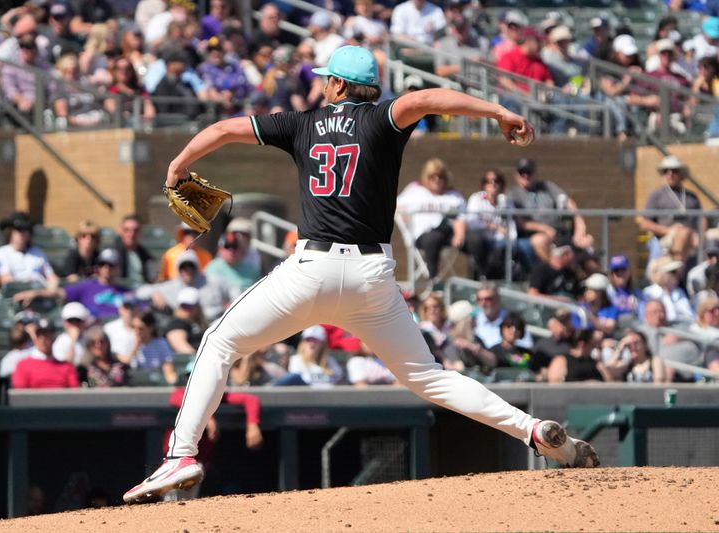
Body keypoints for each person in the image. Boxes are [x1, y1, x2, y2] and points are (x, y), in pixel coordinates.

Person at [123, 45, 597, 504]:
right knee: (429, 377)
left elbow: (226, 128)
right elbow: (424, 99)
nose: (321, 86)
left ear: (336, 84)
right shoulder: (382, 118)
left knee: (219, 343)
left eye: (325, 79)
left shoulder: (301, 123)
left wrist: (177, 164)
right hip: (373, 276)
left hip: (313, 270)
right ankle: (532, 430)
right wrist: (497, 112)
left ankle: (181, 454)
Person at [395, 158, 465, 279]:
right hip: (423, 236)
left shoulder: (453, 195)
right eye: (433, 177)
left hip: (450, 235)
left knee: (477, 239)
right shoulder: (415, 190)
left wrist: (460, 235)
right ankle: (433, 279)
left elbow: (463, 217)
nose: (437, 180)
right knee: (434, 238)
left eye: (441, 177)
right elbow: (396, 206)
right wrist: (405, 220)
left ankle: (485, 281)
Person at [0, 211, 58, 287]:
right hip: (17, 293)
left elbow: (51, 277)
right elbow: (6, 279)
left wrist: (51, 290)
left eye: (26, 230)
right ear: (10, 232)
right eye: (19, 230)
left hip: (41, 291)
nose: (22, 234)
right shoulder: (1, 253)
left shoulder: (38, 253)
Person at [11, 319, 80, 389]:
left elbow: (74, 394)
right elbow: (20, 395)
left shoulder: (66, 367)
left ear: (53, 338)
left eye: (46, 335)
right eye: (39, 335)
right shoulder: (23, 365)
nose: (43, 339)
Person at [276, 325, 344, 386]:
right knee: (293, 377)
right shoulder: (296, 360)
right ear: (303, 342)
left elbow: (339, 381)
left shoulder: (330, 361)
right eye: (308, 340)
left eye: (315, 340)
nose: (311, 344)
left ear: (322, 344)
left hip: (328, 397)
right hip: (306, 397)